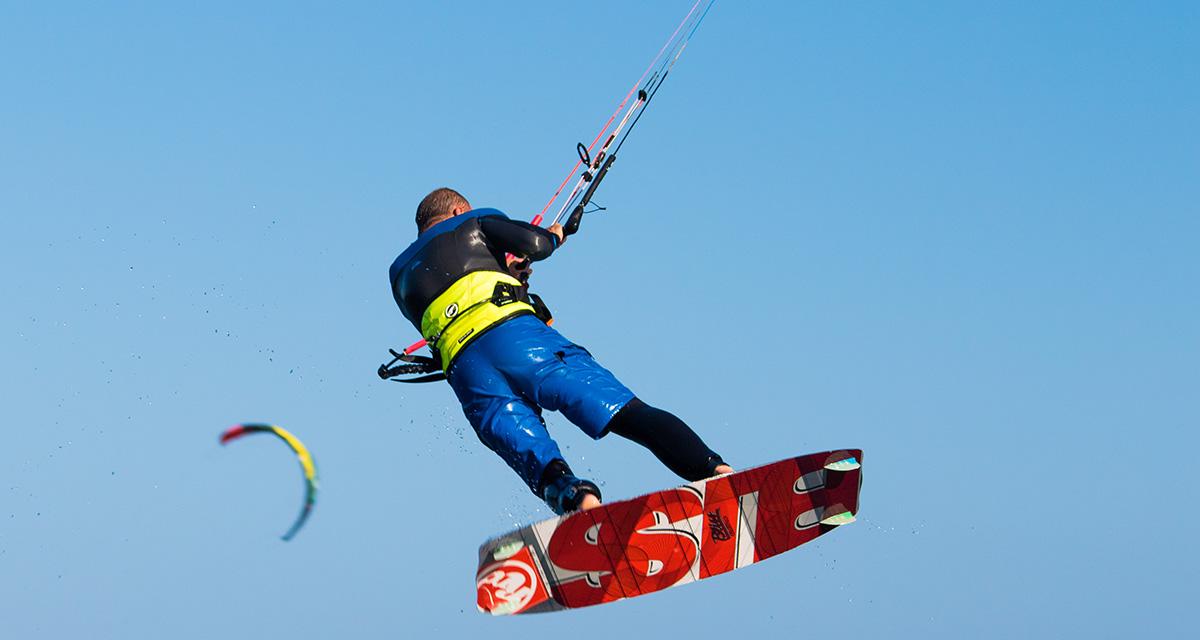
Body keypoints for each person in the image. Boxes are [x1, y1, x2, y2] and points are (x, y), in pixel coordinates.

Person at [389, 187, 732, 514]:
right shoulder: (473, 221)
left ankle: (582, 503)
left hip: (467, 372)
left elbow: (458, 296)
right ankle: (716, 472)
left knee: (538, 460)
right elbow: (534, 244)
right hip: (518, 341)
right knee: (623, 411)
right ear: (457, 210)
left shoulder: (400, 275)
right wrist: (553, 235)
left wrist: (506, 274)